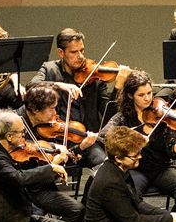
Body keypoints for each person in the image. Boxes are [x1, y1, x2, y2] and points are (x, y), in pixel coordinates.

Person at [105, 70, 176, 206]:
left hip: (161, 168)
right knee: (129, 197)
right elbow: (106, 135)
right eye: (141, 95)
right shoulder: (123, 117)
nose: (147, 98)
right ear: (130, 95)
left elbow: (174, 152)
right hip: (135, 169)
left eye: (149, 93)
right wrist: (136, 134)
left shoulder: (161, 114)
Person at [35, 28, 122, 169]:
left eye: (82, 50)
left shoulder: (94, 75)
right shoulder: (50, 69)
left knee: (106, 167)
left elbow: (108, 114)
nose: (80, 56)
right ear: (61, 53)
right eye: (74, 52)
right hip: (57, 140)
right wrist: (59, 85)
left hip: (88, 140)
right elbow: (31, 86)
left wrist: (118, 87)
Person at [16, 82, 86, 222]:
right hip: (22, 190)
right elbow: (24, 171)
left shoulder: (41, 124)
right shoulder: (15, 126)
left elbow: (43, 153)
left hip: (40, 185)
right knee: (34, 220)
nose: (55, 114)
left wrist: (63, 150)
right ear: (35, 110)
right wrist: (54, 162)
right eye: (52, 108)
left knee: (77, 210)